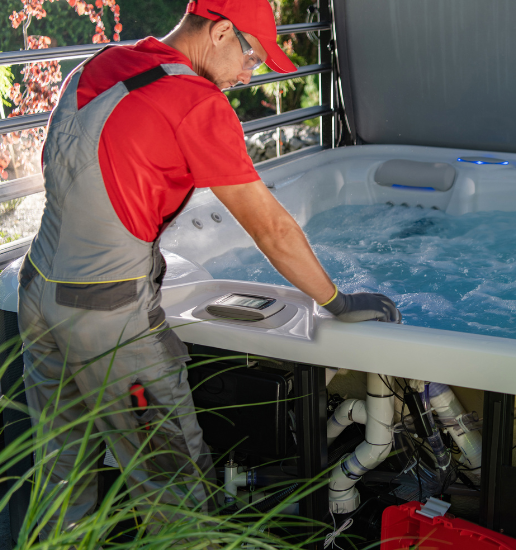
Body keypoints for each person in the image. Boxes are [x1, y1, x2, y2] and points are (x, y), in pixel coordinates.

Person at [18, 0, 400, 538]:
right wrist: (338, 302)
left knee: (61, 473)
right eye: (249, 54)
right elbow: (271, 229)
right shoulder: (196, 103)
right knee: (172, 480)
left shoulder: (101, 63)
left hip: (37, 295)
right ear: (219, 31)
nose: (249, 73)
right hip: (108, 322)